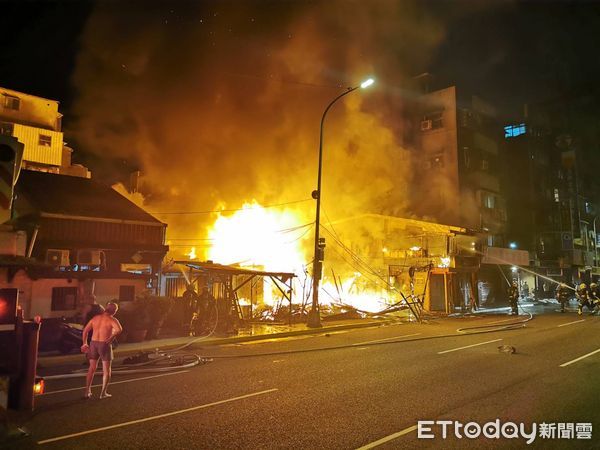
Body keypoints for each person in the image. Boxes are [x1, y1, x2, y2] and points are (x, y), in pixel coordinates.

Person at [81, 302, 122, 399]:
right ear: (114, 311)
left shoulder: (95, 318)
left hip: (93, 343)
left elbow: (85, 330)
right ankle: (103, 393)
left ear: (105, 309)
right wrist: (111, 337)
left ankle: (87, 391)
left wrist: (84, 343)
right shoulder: (112, 319)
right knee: (106, 370)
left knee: (92, 368)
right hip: (104, 344)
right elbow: (119, 329)